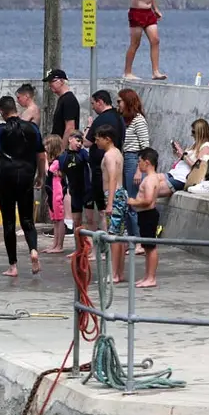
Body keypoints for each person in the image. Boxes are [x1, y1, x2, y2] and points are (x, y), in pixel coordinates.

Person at [0, 95, 46, 276]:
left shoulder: (1, 129)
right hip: (26, 176)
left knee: (8, 222)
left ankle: (13, 266)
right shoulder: (32, 128)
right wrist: (40, 175)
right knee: (27, 220)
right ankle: (33, 250)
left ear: (2, 112)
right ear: (16, 109)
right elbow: (40, 155)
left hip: (7, 176)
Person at [84, 90, 125, 223]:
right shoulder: (119, 117)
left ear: (100, 102)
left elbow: (86, 142)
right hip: (117, 184)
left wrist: (89, 127)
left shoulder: (100, 120)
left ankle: (107, 241)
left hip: (102, 175)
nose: (92, 107)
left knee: (104, 212)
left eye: (93, 103)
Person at [124, 0, 166, 81]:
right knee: (135, 43)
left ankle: (155, 71)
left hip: (148, 12)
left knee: (155, 40)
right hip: (137, 12)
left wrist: (156, 9)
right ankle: (127, 72)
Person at [94, 125, 127, 282]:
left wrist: (110, 203)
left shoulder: (109, 156)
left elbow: (113, 178)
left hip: (114, 195)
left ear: (107, 139)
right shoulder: (117, 153)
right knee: (119, 236)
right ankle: (118, 272)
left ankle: (114, 273)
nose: (96, 142)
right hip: (118, 195)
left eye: (98, 138)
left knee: (113, 236)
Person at [118, 88, 150, 246]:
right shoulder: (124, 120)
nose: (119, 105)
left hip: (134, 158)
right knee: (126, 200)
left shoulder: (138, 120)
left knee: (134, 200)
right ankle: (131, 238)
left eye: (120, 101)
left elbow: (145, 147)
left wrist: (139, 169)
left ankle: (138, 241)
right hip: (125, 158)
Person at [128, 148, 161, 288]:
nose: (138, 164)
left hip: (148, 214)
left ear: (147, 162)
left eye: (139, 161)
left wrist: (132, 201)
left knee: (150, 247)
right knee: (147, 248)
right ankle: (147, 276)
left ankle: (151, 277)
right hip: (145, 214)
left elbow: (147, 200)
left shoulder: (149, 180)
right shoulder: (151, 178)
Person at [163, 119, 209, 196]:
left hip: (183, 178)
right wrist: (179, 154)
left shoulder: (206, 147)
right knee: (151, 182)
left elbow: (197, 168)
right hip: (175, 173)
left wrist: (183, 155)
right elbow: (186, 160)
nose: (191, 135)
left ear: (200, 132)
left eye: (193, 132)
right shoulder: (195, 144)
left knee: (153, 189)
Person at [60, 130, 94, 237]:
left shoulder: (83, 153)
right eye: (78, 141)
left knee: (90, 220)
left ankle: (92, 248)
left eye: (81, 142)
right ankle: (78, 248)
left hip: (87, 191)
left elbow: (92, 162)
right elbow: (61, 175)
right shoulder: (63, 156)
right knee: (76, 222)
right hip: (75, 193)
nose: (79, 144)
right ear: (70, 139)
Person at [42, 135, 67, 253]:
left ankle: (59, 245)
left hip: (57, 192)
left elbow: (48, 172)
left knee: (59, 218)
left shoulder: (57, 161)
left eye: (47, 145)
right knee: (55, 220)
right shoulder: (54, 161)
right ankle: (55, 244)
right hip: (52, 192)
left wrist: (45, 159)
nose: (45, 147)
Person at [43, 69, 80, 149]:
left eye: (52, 81)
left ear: (62, 81)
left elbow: (70, 127)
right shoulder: (62, 99)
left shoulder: (69, 100)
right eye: (49, 82)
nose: (50, 85)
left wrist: (62, 148)